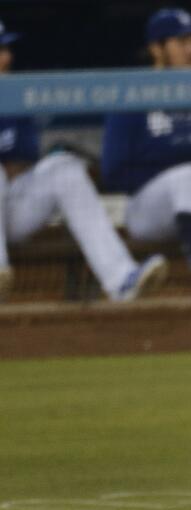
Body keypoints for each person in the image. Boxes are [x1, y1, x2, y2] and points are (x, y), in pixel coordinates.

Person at [0, 20, 166, 302]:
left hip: (9, 207)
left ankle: (121, 279)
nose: (7, 57)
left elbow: (22, 164)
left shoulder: (15, 92)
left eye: (6, 48)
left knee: (65, 168)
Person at [101, 8, 191, 294]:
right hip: (148, 211)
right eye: (181, 42)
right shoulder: (131, 95)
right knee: (186, 176)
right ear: (157, 49)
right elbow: (113, 172)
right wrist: (170, 172)